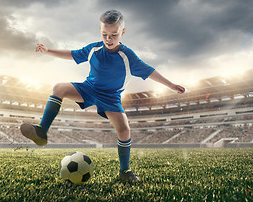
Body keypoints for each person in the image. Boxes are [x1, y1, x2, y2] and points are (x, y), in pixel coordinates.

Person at [20, 10, 185, 182]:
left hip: (111, 97)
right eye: (105, 34)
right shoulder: (94, 48)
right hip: (88, 89)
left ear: (123, 32)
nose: (109, 39)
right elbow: (72, 54)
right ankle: (41, 131)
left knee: (124, 130)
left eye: (114, 35)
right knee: (58, 88)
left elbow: (150, 71)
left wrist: (171, 85)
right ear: (99, 30)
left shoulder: (127, 56)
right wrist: (48, 51)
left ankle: (125, 171)